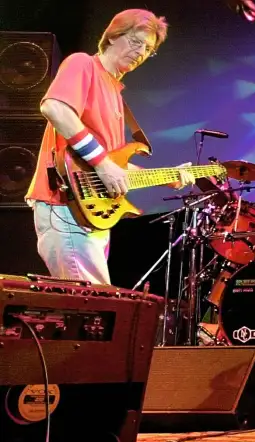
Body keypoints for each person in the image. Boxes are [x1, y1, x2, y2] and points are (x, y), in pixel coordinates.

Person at [25, 9, 194, 285]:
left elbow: (113, 166)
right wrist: (103, 165)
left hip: (91, 213)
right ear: (113, 36)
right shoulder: (84, 65)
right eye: (136, 41)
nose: (140, 52)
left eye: (148, 49)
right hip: (65, 205)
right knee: (94, 307)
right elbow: (54, 107)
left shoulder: (115, 92)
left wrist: (169, 177)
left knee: (90, 312)